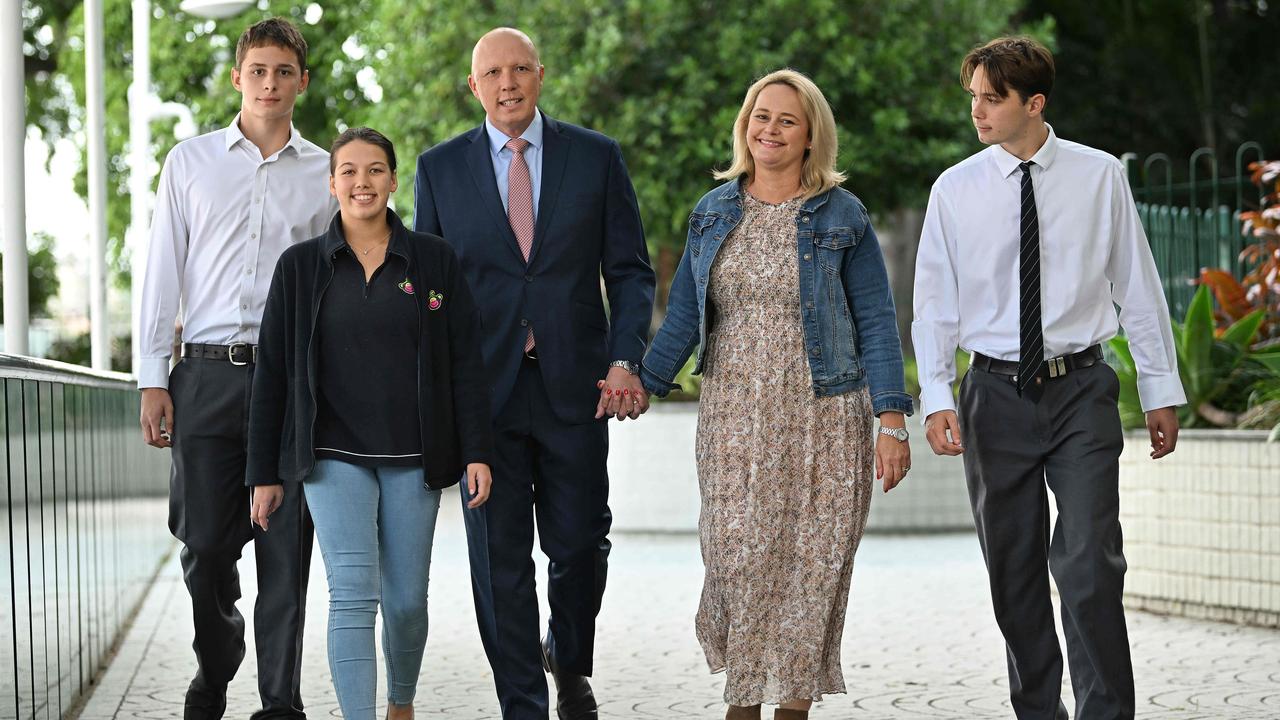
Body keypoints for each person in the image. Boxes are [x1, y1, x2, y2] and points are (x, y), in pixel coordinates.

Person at [912, 36, 1186, 720]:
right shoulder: (955, 189)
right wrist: (938, 396)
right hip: (992, 395)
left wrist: (1159, 389)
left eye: (991, 99)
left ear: (1034, 103)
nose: (977, 111)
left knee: (1090, 562)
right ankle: (1038, 710)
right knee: (1015, 572)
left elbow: (1138, 288)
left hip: (1081, 390)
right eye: (972, 96)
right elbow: (934, 305)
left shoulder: (1099, 177)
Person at [640, 69, 913, 720]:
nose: (770, 129)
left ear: (812, 134)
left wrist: (892, 419)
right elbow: (683, 316)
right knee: (739, 558)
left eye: (787, 120)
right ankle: (743, 701)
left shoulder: (841, 216)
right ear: (745, 125)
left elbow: (876, 318)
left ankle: (788, 706)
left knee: (808, 568)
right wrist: (636, 385)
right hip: (733, 414)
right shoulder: (714, 211)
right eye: (761, 116)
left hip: (823, 415)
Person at [412, 26, 655, 720]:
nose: (508, 83)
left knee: (579, 542)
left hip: (576, 387)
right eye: (493, 73)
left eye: (520, 69)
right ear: (474, 86)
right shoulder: (439, 168)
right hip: (481, 396)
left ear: (541, 75)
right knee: (499, 558)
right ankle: (523, 702)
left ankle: (569, 660)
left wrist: (623, 357)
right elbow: (431, 292)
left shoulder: (596, 157)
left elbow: (631, 273)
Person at [245, 127, 494, 720]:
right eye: (350, 171)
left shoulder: (434, 260)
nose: (363, 182)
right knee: (353, 598)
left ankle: (400, 703)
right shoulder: (300, 267)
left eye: (376, 169)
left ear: (392, 178)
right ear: (332, 184)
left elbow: (466, 363)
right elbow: (273, 375)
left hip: (417, 459)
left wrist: (476, 451)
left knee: (406, 602)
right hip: (332, 460)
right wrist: (264, 472)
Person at [136, 18, 334, 720]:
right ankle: (217, 658)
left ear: (301, 82)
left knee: (287, 558)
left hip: (291, 386)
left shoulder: (327, 174)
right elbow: (162, 275)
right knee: (204, 548)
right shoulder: (188, 163)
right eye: (259, 70)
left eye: (284, 71)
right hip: (207, 379)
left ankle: (280, 702)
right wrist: (152, 377)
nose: (271, 83)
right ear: (238, 78)